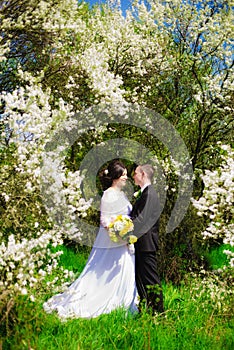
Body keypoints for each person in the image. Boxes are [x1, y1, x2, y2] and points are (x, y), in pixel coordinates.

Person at [43, 160, 138, 319]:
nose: (126, 178)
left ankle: (124, 302)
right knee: (104, 271)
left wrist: (126, 230)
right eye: (124, 175)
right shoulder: (108, 194)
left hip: (124, 242)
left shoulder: (122, 195)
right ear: (115, 176)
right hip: (112, 241)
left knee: (126, 268)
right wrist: (117, 230)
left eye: (127, 176)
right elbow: (104, 220)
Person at [131, 164, 164, 314]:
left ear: (143, 174)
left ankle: (158, 312)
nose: (133, 176)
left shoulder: (149, 194)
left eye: (135, 173)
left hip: (147, 244)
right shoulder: (146, 193)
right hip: (142, 243)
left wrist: (123, 229)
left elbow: (142, 219)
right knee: (142, 279)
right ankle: (147, 309)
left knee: (151, 279)